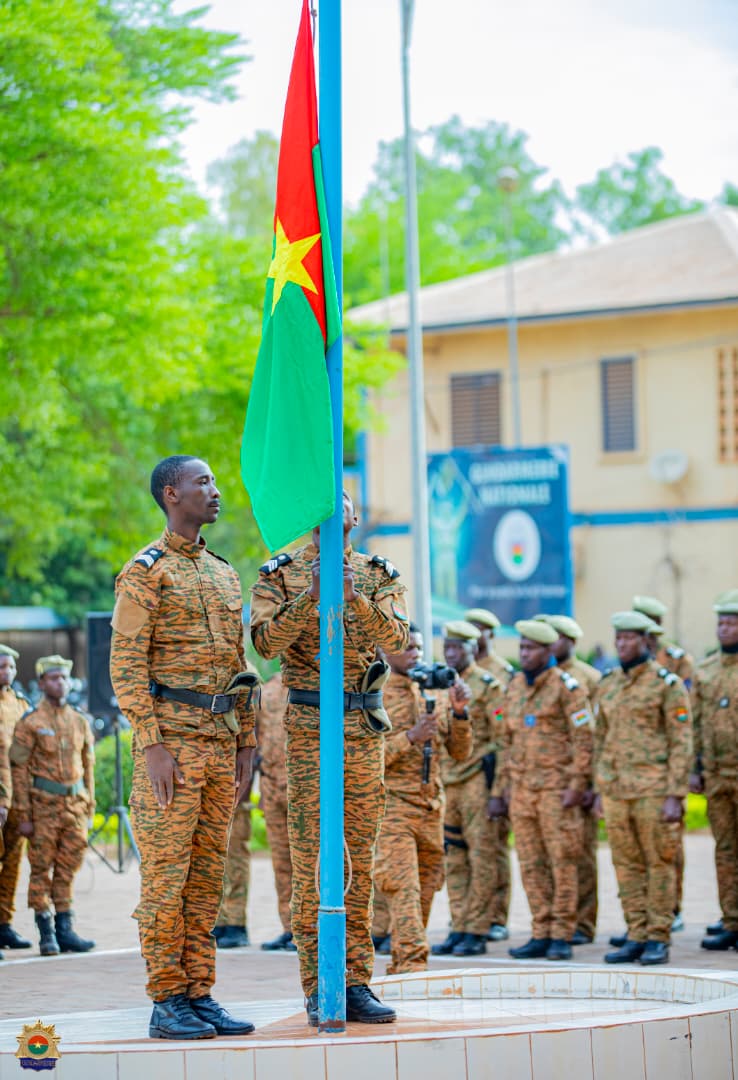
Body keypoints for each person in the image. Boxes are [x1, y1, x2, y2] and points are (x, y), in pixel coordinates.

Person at [110, 455, 257, 1041]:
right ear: (172, 494)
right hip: (171, 745)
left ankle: (199, 992)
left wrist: (246, 739)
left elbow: (238, 665)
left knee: (207, 879)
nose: (215, 491)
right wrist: (151, 745)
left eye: (215, 481)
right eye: (204, 482)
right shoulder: (146, 571)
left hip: (220, 747)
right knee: (167, 879)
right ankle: (166, 996)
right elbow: (124, 667)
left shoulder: (223, 573)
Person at [250, 489, 409, 1026]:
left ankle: (357, 980)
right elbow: (266, 645)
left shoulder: (376, 572)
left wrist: (352, 597)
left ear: (355, 516)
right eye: (318, 502)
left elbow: (397, 638)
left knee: (358, 859)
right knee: (313, 860)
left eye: (339, 502)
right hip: (310, 726)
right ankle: (319, 983)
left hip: (361, 729)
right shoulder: (280, 573)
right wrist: (310, 597)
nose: (330, 513)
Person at [490, 619, 593, 962]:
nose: (524, 654)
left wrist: (577, 785)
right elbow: (506, 741)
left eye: (531, 648)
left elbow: (584, 740)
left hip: (556, 790)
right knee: (531, 864)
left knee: (562, 861)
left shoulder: (568, 687)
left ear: (549, 650)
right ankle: (540, 930)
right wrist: (501, 789)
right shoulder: (515, 685)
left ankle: (562, 933)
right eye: (521, 648)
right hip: (522, 791)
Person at [595, 611, 692, 966]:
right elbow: (600, 738)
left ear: (647, 642)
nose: (622, 644)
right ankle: (636, 932)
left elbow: (682, 741)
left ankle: (658, 937)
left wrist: (675, 795)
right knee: (626, 866)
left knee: (659, 863)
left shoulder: (667, 685)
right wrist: (600, 786)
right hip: (618, 791)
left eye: (630, 638)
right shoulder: (608, 684)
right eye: (618, 638)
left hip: (654, 790)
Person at [374, 622, 472, 974]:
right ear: (384, 650)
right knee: (403, 887)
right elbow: (365, 759)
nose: (415, 653)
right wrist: (410, 738)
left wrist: (460, 713)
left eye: (418, 647)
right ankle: (415, 965)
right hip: (393, 807)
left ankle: (402, 964)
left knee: (428, 886)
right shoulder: (374, 694)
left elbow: (460, 752)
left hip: (431, 807)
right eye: (407, 647)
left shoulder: (435, 692)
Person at [9, 655, 95, 956]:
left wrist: (89, 807)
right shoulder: (30, 723)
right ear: (42, 682)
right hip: (42, 808)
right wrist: (23, 813)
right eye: (54, 678)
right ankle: (46, 930)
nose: (61, 683)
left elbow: (88, 766)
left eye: (64, 678)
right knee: (41, 869)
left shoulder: (79, 721)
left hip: (74, 808)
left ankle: (65, 929)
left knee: (68, 868)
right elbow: (18, 770)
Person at [431, 620, 505, 958]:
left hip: (476, 778)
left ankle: (477, 928)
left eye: (457, 647)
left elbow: (504, 740)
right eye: (447, 646)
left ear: (473, 650)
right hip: (448, 781)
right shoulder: (438, 684)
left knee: (481, 855)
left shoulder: (488, 686)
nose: (450, 652)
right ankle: (458, 925)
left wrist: (498, 791)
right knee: (454, 859)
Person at [541, 615, 601, 946]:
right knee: (554, 857)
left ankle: (583, 922)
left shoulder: (588, 679)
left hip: (578, 784)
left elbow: (593, 735)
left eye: (557, 638)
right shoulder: (541, 678)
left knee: (581, 856)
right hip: (551, 784)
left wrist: (591, 785)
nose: (551, 643)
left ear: (571, 641)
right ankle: (556, 920)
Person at [691, 590, 738, 951]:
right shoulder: (705, 670)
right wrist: (695, 768)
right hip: (717, 776)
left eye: (731, 622)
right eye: (721, 622)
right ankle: (731, 920)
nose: (725, 628)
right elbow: (692, 724)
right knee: (724, 850)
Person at [256, 672, 297, 952]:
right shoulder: (266, 690)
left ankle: (308, 929)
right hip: (272, 786)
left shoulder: (311, 682)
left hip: (303, 787)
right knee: (282, 863)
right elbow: (256, 737)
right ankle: (290, 926)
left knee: (306, 862)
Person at [0, 644, 32, 953]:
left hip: (18, 799)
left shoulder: (21, 705)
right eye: (1, 666)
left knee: (12, 864)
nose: (6, 672)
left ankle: (4, 925)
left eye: (10, 667)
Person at [213, 793, 252, 949]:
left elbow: (251, 768)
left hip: (235, 796)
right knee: (213, 863)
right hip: (211, 797)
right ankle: (218, 922)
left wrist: (242, 793)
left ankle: (236, 924)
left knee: (235, 863)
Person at [463, 608, 515, 684]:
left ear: (491, 635)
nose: (472, 635)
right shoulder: (461, 665)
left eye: (477, 630)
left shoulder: (502, 671)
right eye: (469, 630)